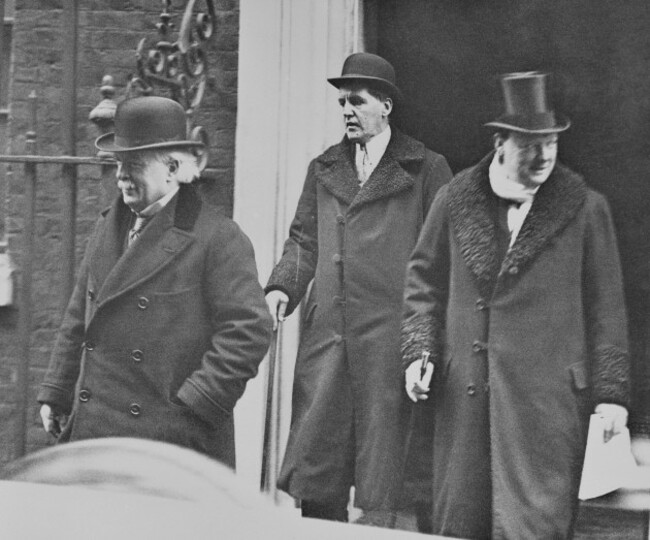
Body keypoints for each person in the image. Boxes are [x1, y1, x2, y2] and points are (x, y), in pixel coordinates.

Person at [401, 71, 631, 539]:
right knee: (460, 526)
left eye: (550, 143)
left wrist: (611, 395)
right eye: (530, 145)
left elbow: (607, 308)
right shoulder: (453, 201)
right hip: (465, 408)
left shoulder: (587, 209)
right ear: (501, 142)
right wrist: (418, 353)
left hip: (546, 411)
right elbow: (423, 283)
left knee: (533, 528)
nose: (544, 155)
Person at [265, 52, 452, 524]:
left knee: (388, 481)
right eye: (342, 102)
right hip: (327, 341)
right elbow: (303, 240)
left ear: (386, 105)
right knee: (318, 470)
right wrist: (283, 285)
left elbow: (442, 262)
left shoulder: (426, 169)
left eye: (358, 101)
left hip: (389, 346)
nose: (347, 110)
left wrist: (424, 341)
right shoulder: (324, 168)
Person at [37, 96, 272, 469]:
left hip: (168, 444)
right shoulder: (107, 228)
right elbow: (79, 317)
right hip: (95, 432)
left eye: (134, 164)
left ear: (172, 168)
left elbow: (249, 332)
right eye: (118, 163)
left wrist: (192, 409)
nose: (120, 176)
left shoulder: (217, 238)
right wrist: (57, 391)